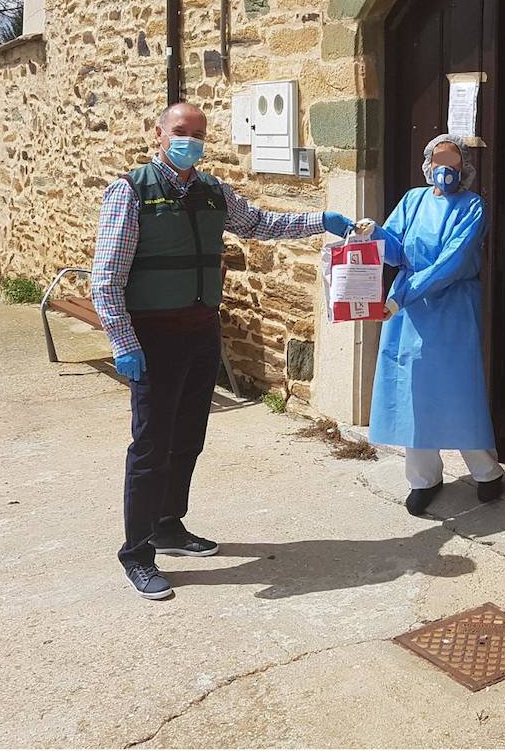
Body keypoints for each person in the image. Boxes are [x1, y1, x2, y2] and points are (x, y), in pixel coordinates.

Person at [92, 101, 354, 600]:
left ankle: (169, 526)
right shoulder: (130, 192)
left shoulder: (213, 192)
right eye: (179, 131)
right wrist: (124, 343)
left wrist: (321, 219)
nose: (189, 140)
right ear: (158, 135)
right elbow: (106, 279)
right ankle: (138, 552)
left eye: (198, 132)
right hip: (152, 338)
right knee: (150, 447)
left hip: (200, 332)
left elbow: (259, 224)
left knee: (187, 438)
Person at [365, 134, 503, 516]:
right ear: (427, 165)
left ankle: (486, 471)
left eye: (453, 163)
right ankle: (423, 478)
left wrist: (401, 295)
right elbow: (394, 246)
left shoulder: (472, 206)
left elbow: (452, 261)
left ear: (465, 169)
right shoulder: (412, 200)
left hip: (451, 303)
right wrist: (372, 234)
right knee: (412, 390)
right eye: (439, 161)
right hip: (408, 308)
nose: (445, 170)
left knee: (458, 388)